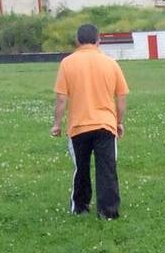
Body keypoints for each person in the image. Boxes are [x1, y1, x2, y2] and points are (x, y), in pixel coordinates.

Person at [51, 24, 129, 219]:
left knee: (81, 168)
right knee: (107, 169)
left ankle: (80, 207)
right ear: (98, 40)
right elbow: (121, 98)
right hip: (105, 125)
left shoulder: (67, 63)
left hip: (78, 126)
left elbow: (61, 99)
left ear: (77, 41)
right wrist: (119, 122)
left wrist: (57, 124)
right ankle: (108, 212)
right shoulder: (111, 63)